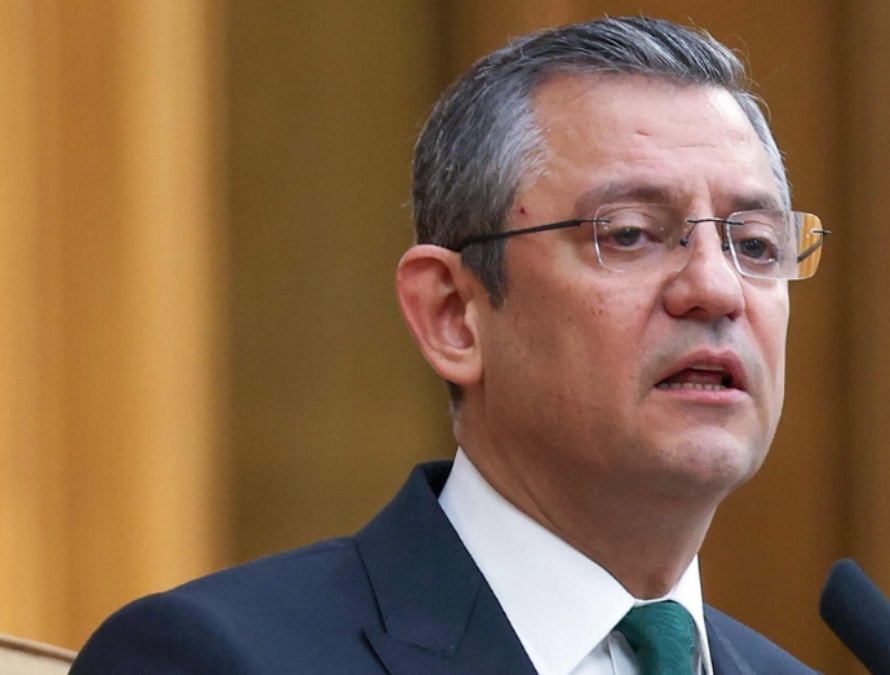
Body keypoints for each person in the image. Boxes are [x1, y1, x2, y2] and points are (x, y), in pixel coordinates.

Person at [71, 16, 828, 674]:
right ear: (452, 315)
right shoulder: (214, 659)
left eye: (755, 245)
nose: (717, 289)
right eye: (629, 234)